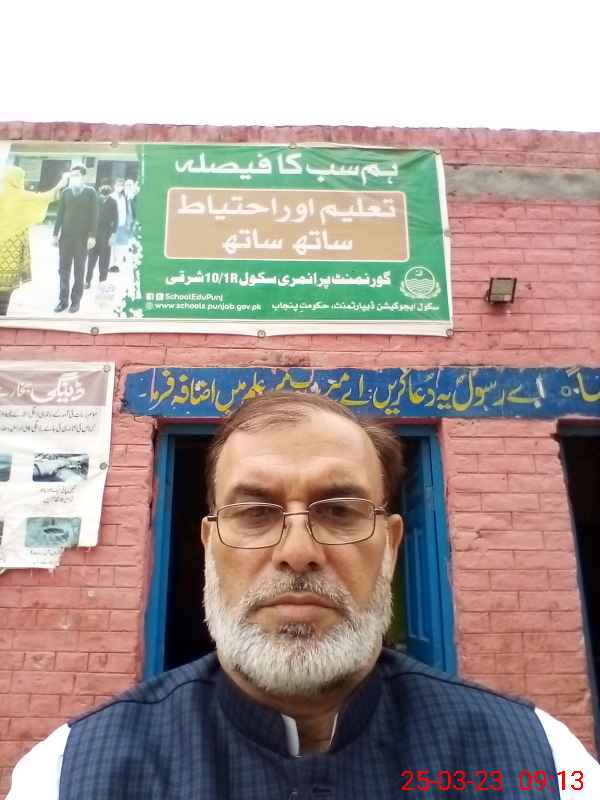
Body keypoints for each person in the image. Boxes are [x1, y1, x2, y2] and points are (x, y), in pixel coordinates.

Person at [6, 392, 600, 799]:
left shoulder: (542, 764)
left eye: (339, 512)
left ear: (391, 547)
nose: (297, 550)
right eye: (255, 512)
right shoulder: (68, 775)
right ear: (210, 547)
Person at [0, 166, 67, 316]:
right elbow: (47, 197)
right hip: (12, 252)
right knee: (5, 291)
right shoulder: (23, 196)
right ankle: (2, 316)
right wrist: (62, 181)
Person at [52, 165, 98, 313]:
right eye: (72, 175)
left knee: (79, 270)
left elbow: (94, 216)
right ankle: (63, 301)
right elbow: (60, 214)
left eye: (77, 174)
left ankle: (75, 302)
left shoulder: (91, 192)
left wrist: (92, 236)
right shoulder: (66, 192)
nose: (74, 177)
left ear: (84, 176)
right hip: (66, 237)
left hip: (82, 239)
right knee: (63, 270)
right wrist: (55, 234)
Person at [84, 183, 118, 288]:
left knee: (104, 260)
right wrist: (89, 235)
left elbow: (116, 219)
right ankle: (87, 281)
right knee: (91, 260)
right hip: (94, 233)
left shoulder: (113, 202)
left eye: (106, 195)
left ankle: (102, 282)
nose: (104, 197)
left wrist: (113, 235)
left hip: (106, 233)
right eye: (103, 195)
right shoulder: (95, 201)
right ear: (100, 192)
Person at [108, 177, 134, 273]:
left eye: (121, 185)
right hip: (113, 226)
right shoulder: (111, 197)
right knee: (112, 247)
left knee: (121, 246)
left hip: (123, 225)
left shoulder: (125, 197)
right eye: (118, 185)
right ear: (114, 186)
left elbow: (129, 211)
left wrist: (128, 223)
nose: (120, 187)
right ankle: (111, 264)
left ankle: (117, 265)